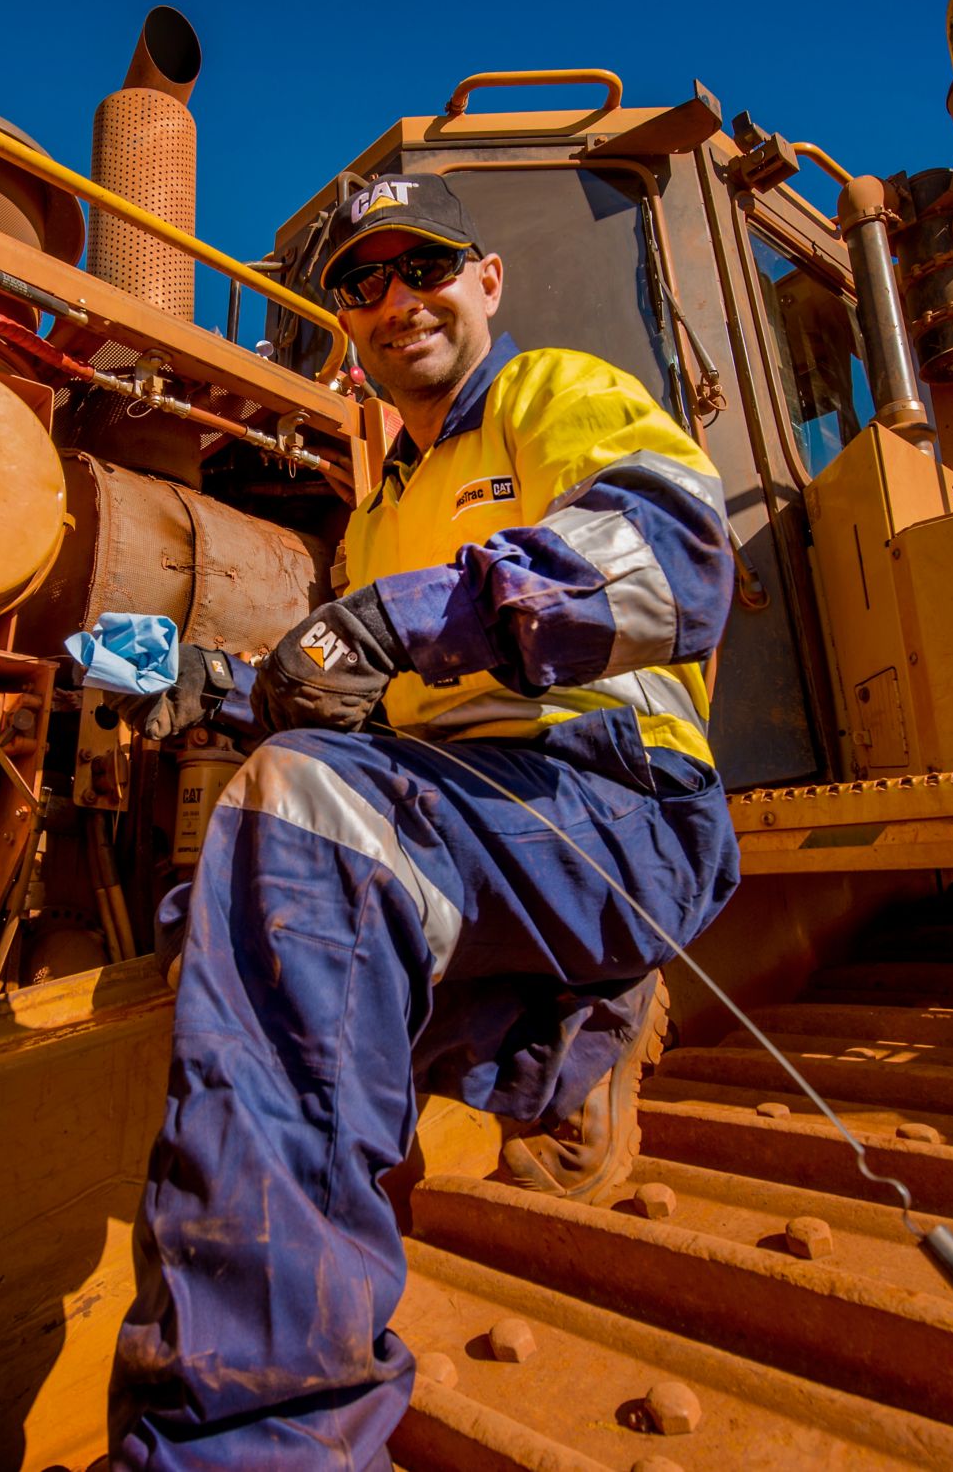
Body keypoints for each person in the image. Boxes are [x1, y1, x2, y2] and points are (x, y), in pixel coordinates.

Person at [109, 173, 740, 1469]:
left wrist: (398, 622)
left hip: (613, 807)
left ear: (488, 280)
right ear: (347, 317)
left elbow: (674, 558)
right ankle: (567, 1042)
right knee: (251, 892)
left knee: (302, 833)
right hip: (467, 827)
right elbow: (367, 702)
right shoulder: (385, 508)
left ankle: (259, 1437)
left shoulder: (551, 396)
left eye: (426, 266)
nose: (397, 301)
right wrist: (224, 684)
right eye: (363, 282)